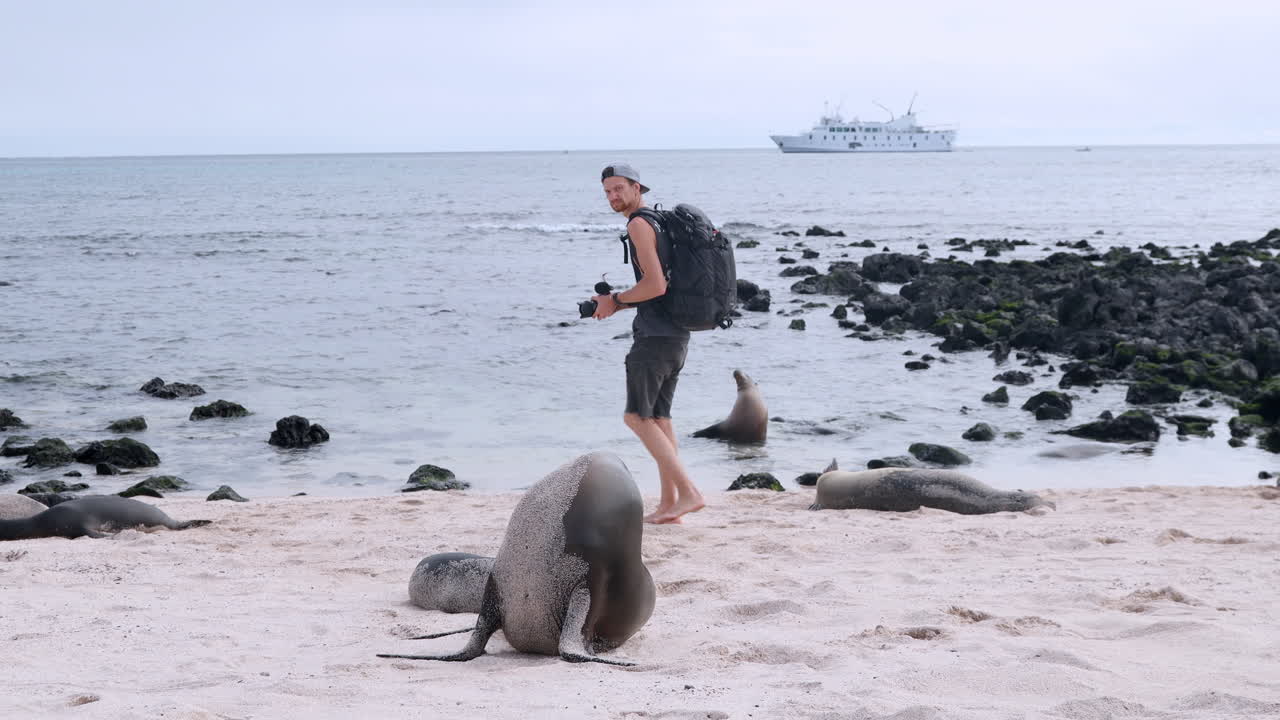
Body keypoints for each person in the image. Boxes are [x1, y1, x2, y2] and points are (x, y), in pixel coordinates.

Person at [593, 163, 705, 524]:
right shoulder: (658, 221)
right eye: (607, 191)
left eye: (619, 189)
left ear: (637, 187)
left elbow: (656, 286)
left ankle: (688, 492)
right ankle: (671, 504)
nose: (613, 196)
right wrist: (621, 301)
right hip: (676, 333)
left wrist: (617, 301)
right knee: (659, 418)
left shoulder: (639, 224)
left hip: (656, 337)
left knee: (636, 417)